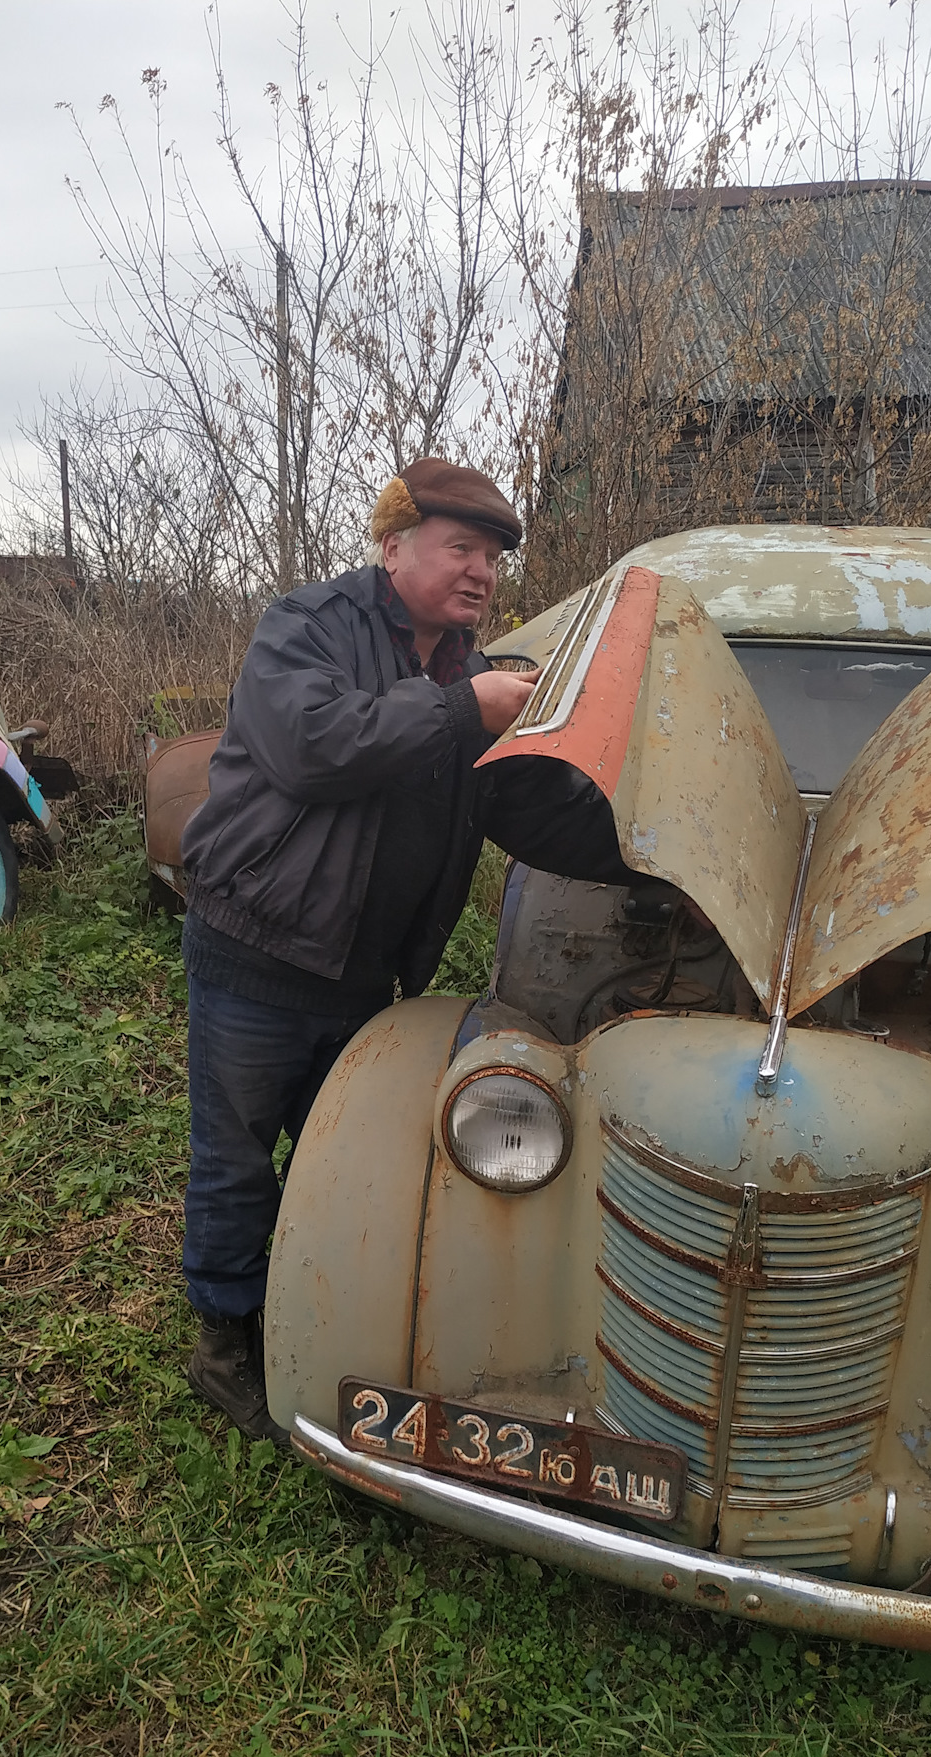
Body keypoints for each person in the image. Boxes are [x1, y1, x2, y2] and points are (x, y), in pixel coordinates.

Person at [178, 457, 633, 1445]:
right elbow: (315, 745)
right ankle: (223, 1339)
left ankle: (310, 1314)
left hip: (361, 975)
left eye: (493, 558)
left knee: (338, 1161)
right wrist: (469, 709)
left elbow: (529, 811)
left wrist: (648, 854)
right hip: (257, 953)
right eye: (460, 548)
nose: (481, 572)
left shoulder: (473, 674)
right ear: (393, 548)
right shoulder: (307, 627)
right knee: (237, 1161)